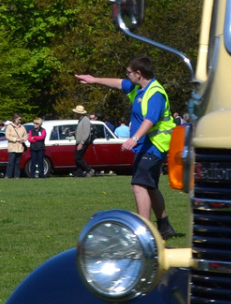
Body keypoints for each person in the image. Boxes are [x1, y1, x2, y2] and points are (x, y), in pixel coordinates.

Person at [74, 56, 179, 239]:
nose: (126, 76)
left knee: (139, 185)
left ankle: (143, 232)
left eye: (129, 72)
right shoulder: (139, 88)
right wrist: (94, 80)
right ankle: (165, 227)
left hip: (154, 145)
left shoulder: (155, 93)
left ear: (139, 74)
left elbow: (150, 120)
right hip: (146, 145)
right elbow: (118, 83)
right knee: (151, 187)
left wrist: (134, 138)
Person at [71, 105, 96, 177]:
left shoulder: (85, 120)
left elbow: (86, 132)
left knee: (77, 157)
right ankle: (79, 173)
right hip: (79, 141)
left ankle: (89, 169)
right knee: (78, 157)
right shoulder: (81, 120)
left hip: (82, 142)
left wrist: (82, 143)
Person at [3, 114, 27, 178]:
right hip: (12, 147)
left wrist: (23, 139)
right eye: (19, 119)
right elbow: (7, 136)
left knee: (17, 163)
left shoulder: (22, 127)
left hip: (20, 147)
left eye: (20, 119)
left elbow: (25, 135)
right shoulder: (9, 127)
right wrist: (15, 139)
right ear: (15, 119)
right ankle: (8, 175)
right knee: (11, 162)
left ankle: (17, 176)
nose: (20, 121)